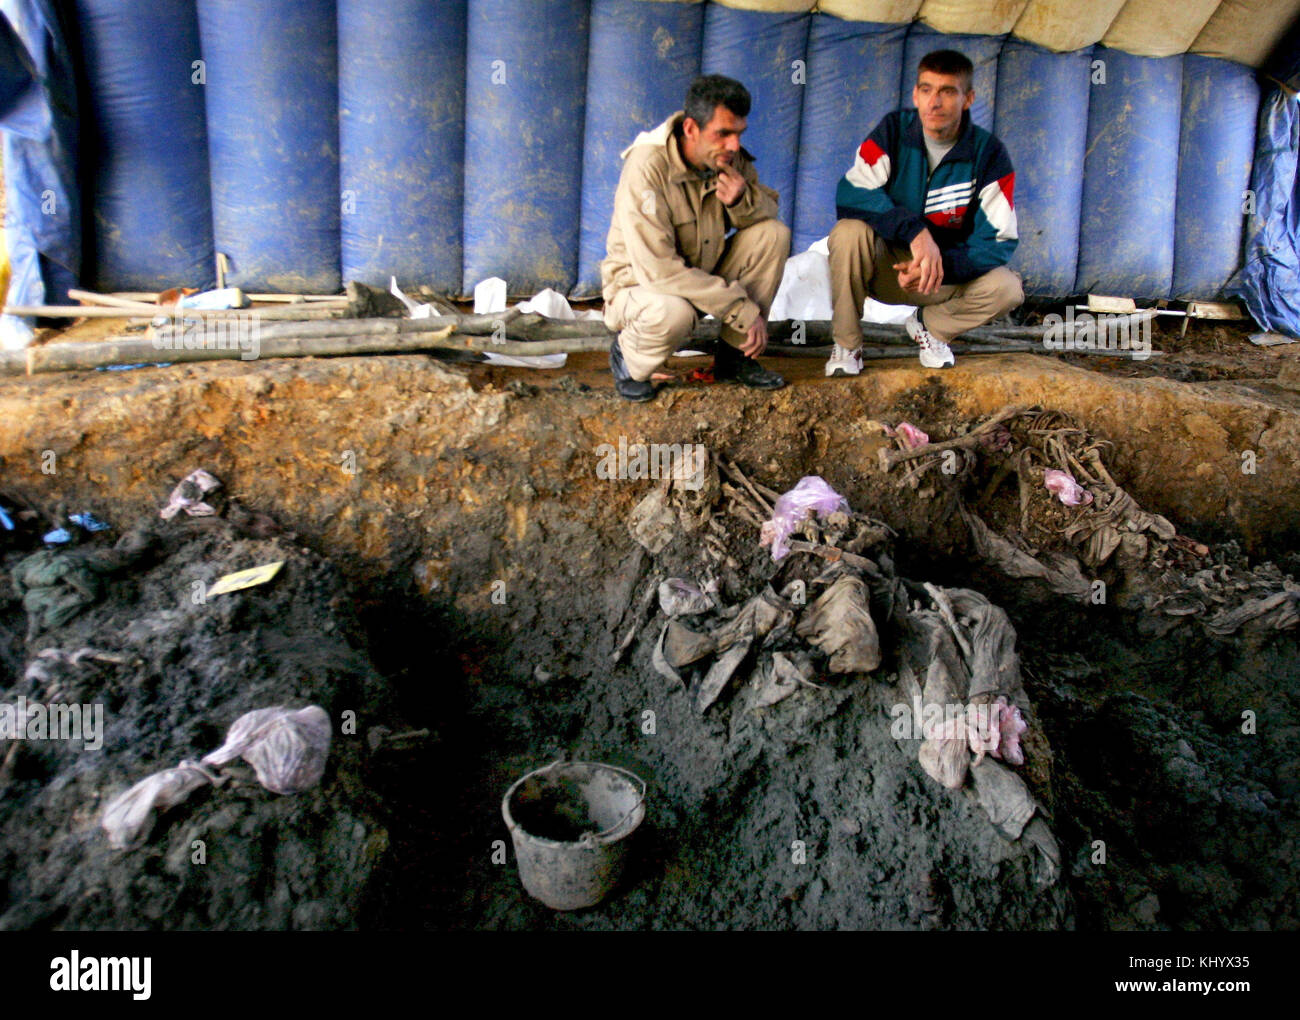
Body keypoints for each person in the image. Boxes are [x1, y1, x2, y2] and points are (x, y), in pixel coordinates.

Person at [826, 49, 1023, 376]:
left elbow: (998, 240)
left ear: (968, 98)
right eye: (927, 90)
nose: (935, 103)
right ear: (915, 95)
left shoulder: (989, 153)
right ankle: (847, 345)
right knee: (848, 231)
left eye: (948, 92)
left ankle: (930, 328)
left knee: (1007, 288)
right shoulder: (894, 130)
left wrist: (940, 266)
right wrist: (916, 234)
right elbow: (851, 193)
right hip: (888, 267)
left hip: (940, 279)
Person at [602, 74, 790, 402]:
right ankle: (628, 357)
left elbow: (768, 211)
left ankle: (735, 357)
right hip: (642, 287)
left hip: (699, 277)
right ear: (691, 129)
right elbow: (658, 271)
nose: (733, 145)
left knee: (773, 235)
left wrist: (741, 199)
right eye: (723, 134)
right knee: (673, 313)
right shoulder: (647, 167)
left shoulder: (728, 158)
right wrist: (742, 309)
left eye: (739, 133)